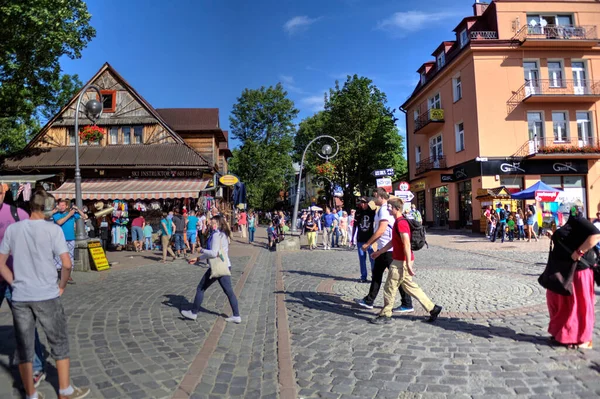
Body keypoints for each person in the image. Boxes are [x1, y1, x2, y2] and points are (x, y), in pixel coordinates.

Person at [0, 190, 91, 399]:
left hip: (21, 296)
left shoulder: (14, 229)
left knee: (24, 346)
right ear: (47, 208)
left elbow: (1, 264)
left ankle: (31, 394)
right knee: (59, 343)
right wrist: (62, 285)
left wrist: (14, 282)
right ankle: (64, 390)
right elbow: (66, 264)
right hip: (47, 294)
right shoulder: (52, 231)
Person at [0, 184, 47, 388]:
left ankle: (36, 368)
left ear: (3, 191)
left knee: (25, 326)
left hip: (16, 280)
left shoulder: (17, 214)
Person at [370, 197, 442, 324]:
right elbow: (394, 241)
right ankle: (433, 308)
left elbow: (406, 244)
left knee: (389, 287)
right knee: (410, 287)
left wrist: (408, 263)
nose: (388, 210)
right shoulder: (397, 222)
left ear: (396, 209)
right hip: (400, 260)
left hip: (400, 261)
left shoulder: (401, 223)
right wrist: (380, 252)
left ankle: (386, 314)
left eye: (390, 208)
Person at [545, 205, 600, 349]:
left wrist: (579, 251)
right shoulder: (568, 223)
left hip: (580, 271)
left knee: (580, 304)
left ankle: (583, 338)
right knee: (561, 302)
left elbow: (596, 234)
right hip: (565, 270)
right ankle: (564, 334)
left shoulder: (578, 219)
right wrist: (554, 235)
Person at [355, 188, 413, 313]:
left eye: (374, 197)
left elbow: (381, 230)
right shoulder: (384, 209)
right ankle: (369, 300)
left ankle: (407, 303)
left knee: (398, 277)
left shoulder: (384, 210)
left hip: (389, 249)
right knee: (377, 273)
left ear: (380, 196)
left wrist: (367, 244)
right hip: (385, 248)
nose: (373, 200)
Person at [181, 215, 241, 323]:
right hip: (225, 265)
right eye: (211, 222)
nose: (210, 224)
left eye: (213, 223)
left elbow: (213, 253)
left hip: (218, 266)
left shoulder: (217, 235)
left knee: (201, 288)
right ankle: (236, 315)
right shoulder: (222, 234)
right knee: (229, 292)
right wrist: (198, 259)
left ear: (218, 224)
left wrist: (201, 250)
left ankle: (193, 312)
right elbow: (216, 253)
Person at [52, 199, 84, 284]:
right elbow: (59, 222)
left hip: (71, 239)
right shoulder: (56, 214)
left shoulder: (73, 214)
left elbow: (85, 217)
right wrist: (69, 215)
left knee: (70, 258)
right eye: (60, 205)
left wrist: (77, 209)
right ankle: (56, 275)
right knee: (58, 258)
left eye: (63, 205)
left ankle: (68, 275)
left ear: (66, 206)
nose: (61, 207)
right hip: (59, 239)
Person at [353, 197, 376, 283]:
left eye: (364, 203)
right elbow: (355, 226)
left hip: (370, 239)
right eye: (361, 203)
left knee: (372, 259)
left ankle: (374, 276)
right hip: (360, 239)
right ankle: (363, 276)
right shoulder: (358, 212)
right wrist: (352, 238)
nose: (362, 204)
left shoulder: (372, 211)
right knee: (362, 259)